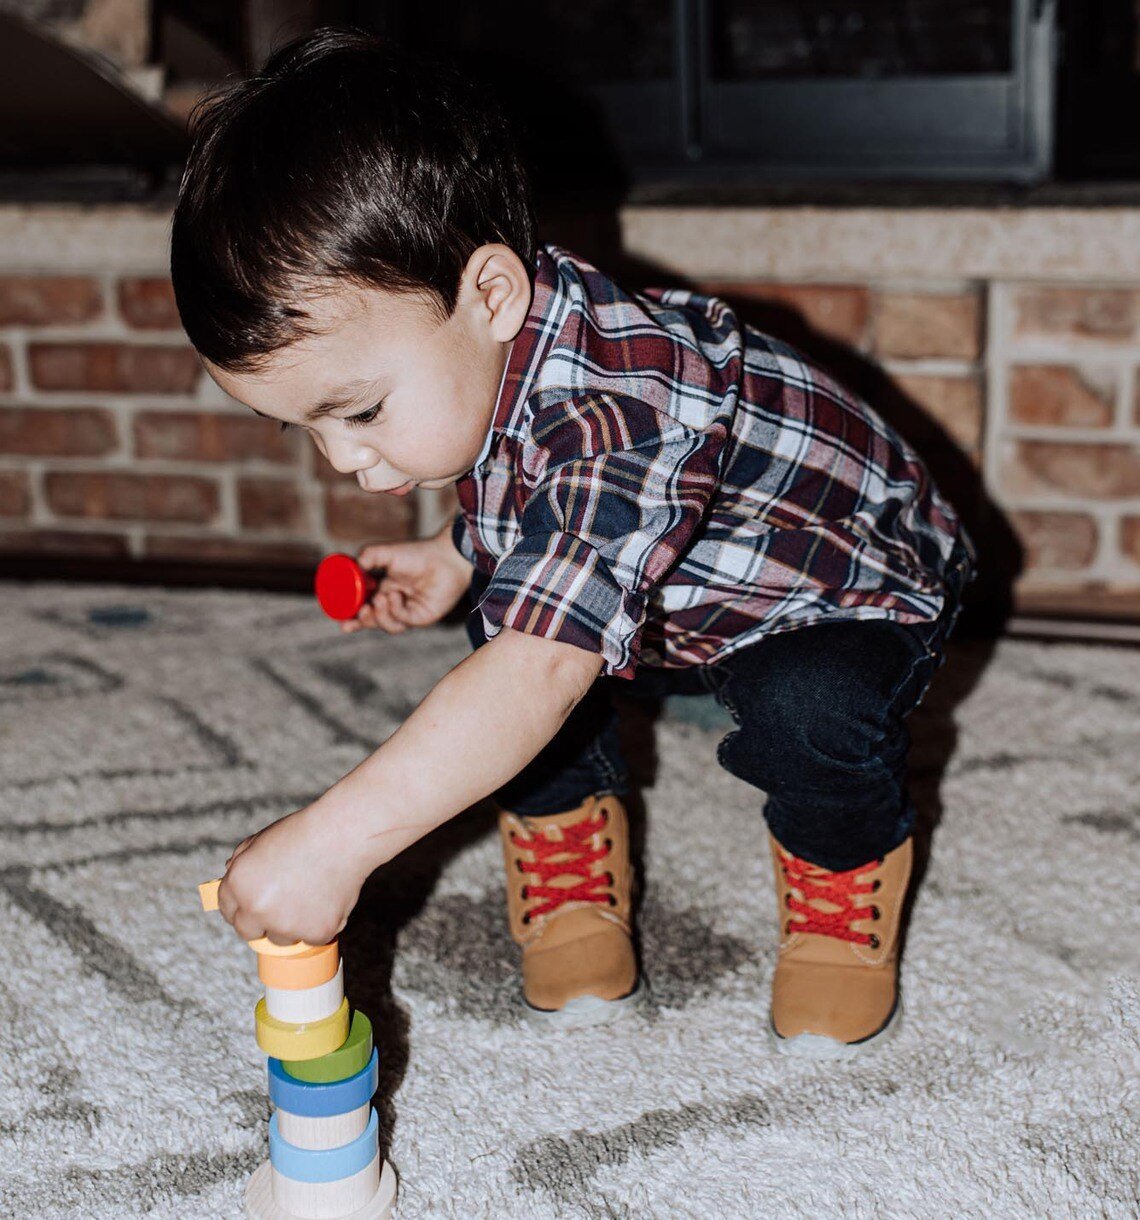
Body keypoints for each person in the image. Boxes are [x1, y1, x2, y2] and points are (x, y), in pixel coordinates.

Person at [171, 26, 976, 1055]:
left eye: (360, 411)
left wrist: (334, 842)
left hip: (836, 587)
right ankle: (568, 874)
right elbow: (525, 479)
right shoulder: (492, 341)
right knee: (504, 617)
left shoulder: (624, 404)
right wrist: (455, 551)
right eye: (305, 427)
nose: (340, 461)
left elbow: (543, 652)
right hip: (675, 590)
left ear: (492, 294)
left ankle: (838, 880)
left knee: (790, 708)